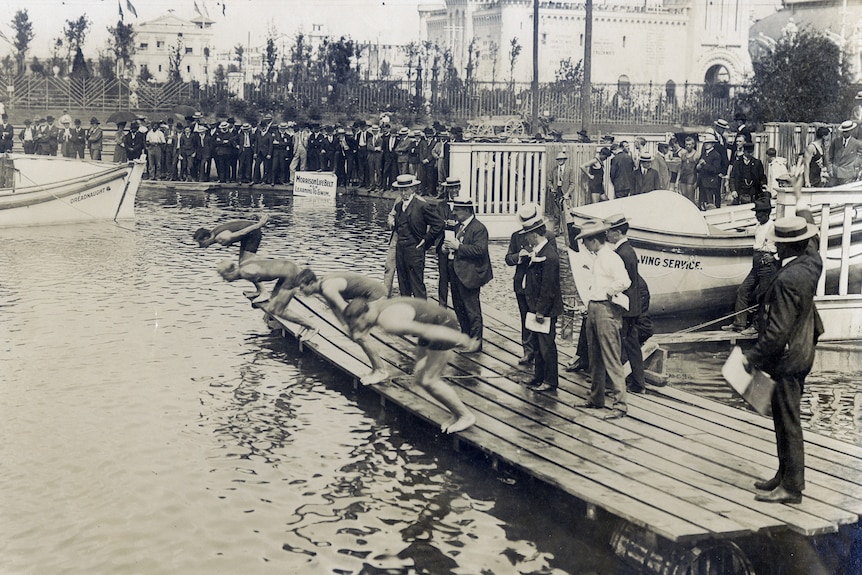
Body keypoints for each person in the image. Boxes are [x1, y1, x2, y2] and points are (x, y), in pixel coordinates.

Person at [745, 213, 823, 504]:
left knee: (787, 420)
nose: (776, 248)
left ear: (786, 247)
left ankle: (792, 488)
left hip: (788, 357)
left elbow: (776, 334)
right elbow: (812, 243)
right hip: (804, 349)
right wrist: (802, 219)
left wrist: (751, 358)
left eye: (779, 244)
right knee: (783, 416)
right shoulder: (812, 263)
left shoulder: (787, 279)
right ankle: (784, 474)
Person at [344, 296, 480, 433]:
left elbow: (426, 330)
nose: (356, 331)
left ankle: (465, 415)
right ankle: (456, 414)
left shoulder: (389, 322)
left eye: (355, 326)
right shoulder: (374, 307)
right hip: (432, 318)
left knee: (429, 381)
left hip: (442, 326)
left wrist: (460, 338)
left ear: (363, 317)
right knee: (420, 375)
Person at [576, 219, 630, 420]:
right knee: (594, 356)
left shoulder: (611, 258)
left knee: (611, 357)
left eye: (585, 241)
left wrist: (609, 292)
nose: (583, 245)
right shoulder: (597, 257)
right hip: (594, 308)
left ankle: (620, 404)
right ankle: (596, 397)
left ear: (593, 240)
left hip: (606, 310)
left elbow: (625, 281)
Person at [297, 269, 390, 385]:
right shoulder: (322, 286)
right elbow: (334, 307)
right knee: (358, 334)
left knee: (360, 335)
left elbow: (344, 308)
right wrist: (345, 326)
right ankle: (377, 367)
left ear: (311, 284)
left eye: (302, 287)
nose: (300, 291)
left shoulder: (328, 289)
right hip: (365, 295)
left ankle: (381, 370)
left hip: (376, 295)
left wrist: (353, 329)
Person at [216, 257, 318, 343]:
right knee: (272, 308)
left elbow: (261, 286)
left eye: (224, 276)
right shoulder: (243, 265)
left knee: (279, 310)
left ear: (231, 271)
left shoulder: (245, 272)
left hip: (290, 275)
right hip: (286, 271)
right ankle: (304, 324)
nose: (224, 280)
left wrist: (262, 292)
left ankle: (312, 327)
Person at [506, 203, 557, 366]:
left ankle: (538, 353)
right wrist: (518, 257)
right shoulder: (516, 236)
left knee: (539, 321)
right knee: (525, 317)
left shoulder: (548, 236)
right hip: (522, 283)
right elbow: (508, 258)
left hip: (537, 286)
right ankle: (528, 351)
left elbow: (552, 264)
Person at [440, 195, 493, 349]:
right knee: (459, 307)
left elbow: (480, 250)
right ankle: (465, 337)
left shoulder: (478, 228)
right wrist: (446, 249)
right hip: (457, 273)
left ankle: (476, 343)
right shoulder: (458, 226)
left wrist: (458, 247)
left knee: (472, 309)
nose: (454, 213)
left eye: (457, 210)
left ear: (467, 211)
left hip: (470, 275)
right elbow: (454, 247)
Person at [519, 213, 564, 393]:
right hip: (536, 307)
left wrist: (540, 311)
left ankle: (550, 380)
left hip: (545, 310)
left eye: (528, 234)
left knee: (547, 346)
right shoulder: (539, 252)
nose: (526, 238)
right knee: (537, 346)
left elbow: (548, 287)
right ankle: (539, 376)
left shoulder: (549, 256)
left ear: (535, 234)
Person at [721, 197, 778, 334]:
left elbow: (782, 247)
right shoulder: (759, 226)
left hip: (767, 267)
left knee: (762, 296)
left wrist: (773, 256)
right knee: (742, 290)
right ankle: (739, 324)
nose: (757, 216)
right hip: (757, 264)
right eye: (756, 213)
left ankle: (756, 326)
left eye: (759, 213)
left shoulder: (773, 227)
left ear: (767, 213)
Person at [604, 214, 646, 395]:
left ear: (618, 232)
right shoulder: (629, 250)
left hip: (625, 308)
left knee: (619, 345)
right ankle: (638, 382)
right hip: (633, 307)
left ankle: (615, 384)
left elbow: (623, 283)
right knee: (632, 345)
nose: (607, 234)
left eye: (610, 231)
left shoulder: (621, 254)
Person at [389, 174, 444, 299]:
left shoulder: (421, 206)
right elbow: (398, 226)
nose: (403, 193)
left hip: (414, 250)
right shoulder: (398, 206)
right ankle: (408, 315)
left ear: (413, 189)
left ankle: (422, 315)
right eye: (401, 190)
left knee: (417, 285)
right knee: (403, 285)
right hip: (400, 250)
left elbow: (438, 224)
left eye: (406, 189)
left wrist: (425, 240)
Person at [193, 214, 270, 298]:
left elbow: (242, 232)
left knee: (246, 267)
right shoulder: (214, 232)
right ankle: (259, 290)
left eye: (200, 243)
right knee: (243, 266)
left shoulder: (220, 237)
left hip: (252, 234)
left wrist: (259, 225)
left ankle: (264, 292)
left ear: (205, 238)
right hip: (247, 236)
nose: (200, 246)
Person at [827, 120, 861, 186]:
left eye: (846, 131)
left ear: (851, 131)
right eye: (843, 131)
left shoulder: (857, 144)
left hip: (848, 176)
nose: (844, 133)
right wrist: (830, 169)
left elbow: (859, 158)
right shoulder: (836, 141)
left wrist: (856, 170)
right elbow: (829, 157)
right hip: (834, 174)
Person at [548, 150, 577, 225]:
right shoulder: (554, 170)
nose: (560, 161)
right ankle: (556, 233)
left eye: (561, 159)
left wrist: (567, 193)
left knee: (567, 214)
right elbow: (549, 180)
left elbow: (572, 183)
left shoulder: (569, 169)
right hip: (556, 192)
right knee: (556, 214)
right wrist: (552, 188)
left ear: (564, 160)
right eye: (558, 159)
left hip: (565, 193)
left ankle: (566, 233)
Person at [697, 133, 724, 209]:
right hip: (702, 182)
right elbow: (698, 167)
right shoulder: (703, 154)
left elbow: (716, 169)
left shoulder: (716, 155)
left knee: (710, 203)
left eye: (709, 142)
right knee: (702, 203)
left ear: (713, 144)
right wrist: (698, 167)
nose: (706, 144)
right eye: (705, 143)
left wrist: (704, 165)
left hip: (710, 182)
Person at [677, 136, 699, 204]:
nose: (688, 146)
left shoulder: (696, 155)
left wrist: (697, 182)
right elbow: (680, 168)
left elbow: (698, 171)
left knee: (690, 198)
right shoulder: (683, 155)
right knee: (683, 197)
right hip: (683, 178)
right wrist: (677, 180)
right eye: (686, 144)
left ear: (693, 145)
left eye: (689, 144)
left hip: (691, 178)